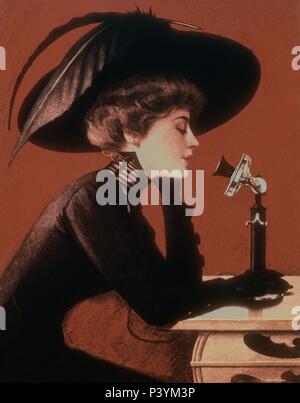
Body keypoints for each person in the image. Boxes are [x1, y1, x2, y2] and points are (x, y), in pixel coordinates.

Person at [0, 74, 291, 382]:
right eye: (181, 127)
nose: (194, 140)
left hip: (38, 355)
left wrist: (240, 285)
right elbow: (162, 309)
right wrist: (234, 288)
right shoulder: (92, 201)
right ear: (131, 134)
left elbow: (178, 289)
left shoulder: (117, 196)